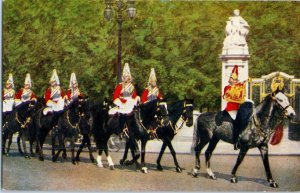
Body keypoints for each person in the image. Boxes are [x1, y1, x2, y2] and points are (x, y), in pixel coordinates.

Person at [222, 65, 247, 149]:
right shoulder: (227, 88)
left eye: (236, 79)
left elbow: (241, 87)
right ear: (230, 80)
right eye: (234, 79)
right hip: (231, 109)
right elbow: (225, 97)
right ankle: (235, 141)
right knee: (237, 122)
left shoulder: (238, 87)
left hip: (238, 108)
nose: (235, 81)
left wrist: (245, 82)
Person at [109, 63, 139, 131]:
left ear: (129, 77)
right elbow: (115, 96)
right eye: (124, 77)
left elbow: (134, 96)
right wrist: (121, 104)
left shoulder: (132, 86)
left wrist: (135, 100)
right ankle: (120, 129)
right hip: (121, 105)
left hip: (130, 105)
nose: (126, 78)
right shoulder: (120, 86)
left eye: (127, 77)